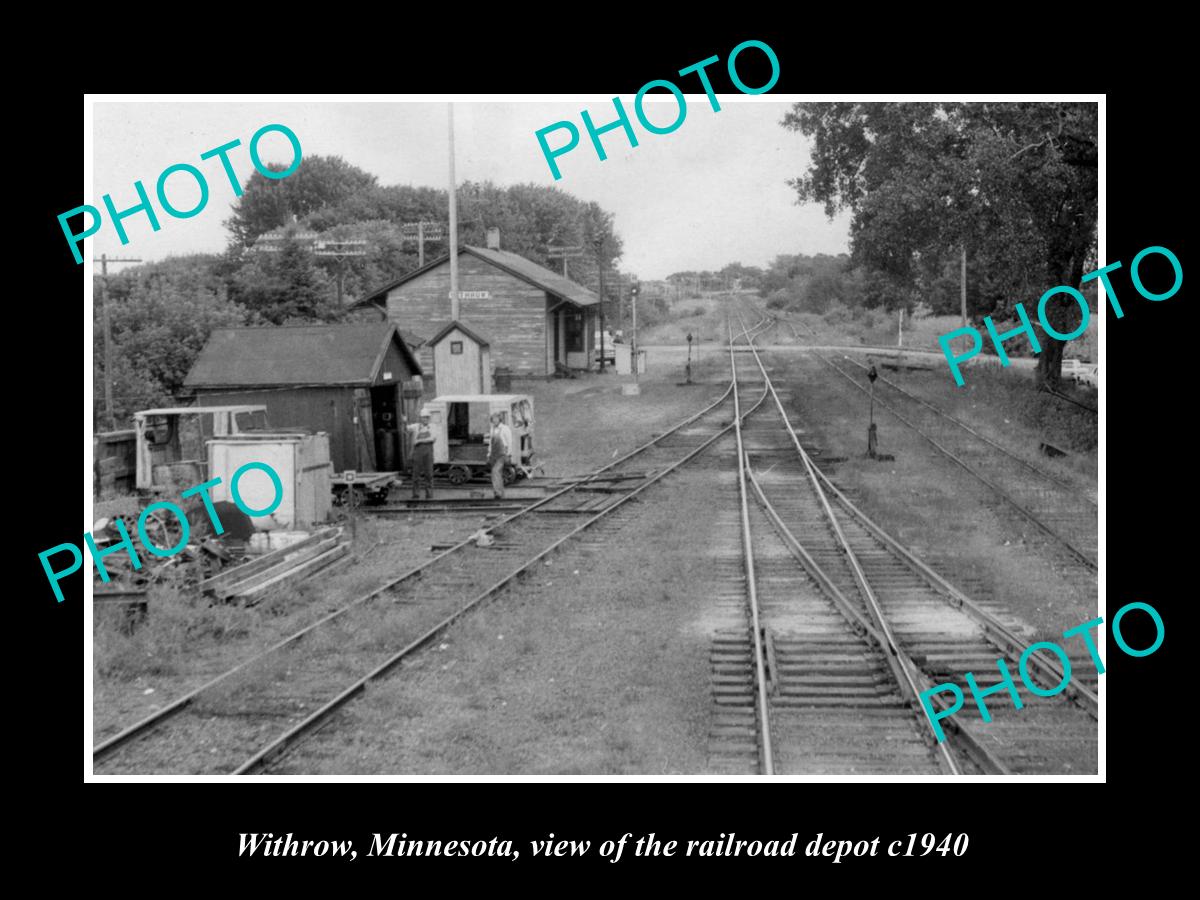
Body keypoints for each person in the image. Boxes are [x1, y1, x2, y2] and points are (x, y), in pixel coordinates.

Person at [405, 411, 436, 500]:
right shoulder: (415, 426)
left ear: (429, 419)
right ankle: (415, 495)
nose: (425, 419)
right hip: (418, 452)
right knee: (416, 475)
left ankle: (429, 495)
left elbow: (432, 438)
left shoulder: (432, 427)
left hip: (428, 452)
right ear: (420, 418)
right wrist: (405, 421)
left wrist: (419, 441)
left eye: (427, 417)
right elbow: (406, 429)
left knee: (429, 474)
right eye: (423, 417)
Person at [488, 412, 512, 500]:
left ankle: (497, 493)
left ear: (499, 419)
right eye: (493, 420)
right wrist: (489, 454)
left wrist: (509, 454)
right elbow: (491, 444)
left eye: (496, 419)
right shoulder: (492, 429)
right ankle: (501, 493)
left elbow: (509, 442)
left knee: (495, 471)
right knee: (496, 474)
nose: (494, 421)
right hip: (494, 454)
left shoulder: (505, 429)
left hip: (502, 454)